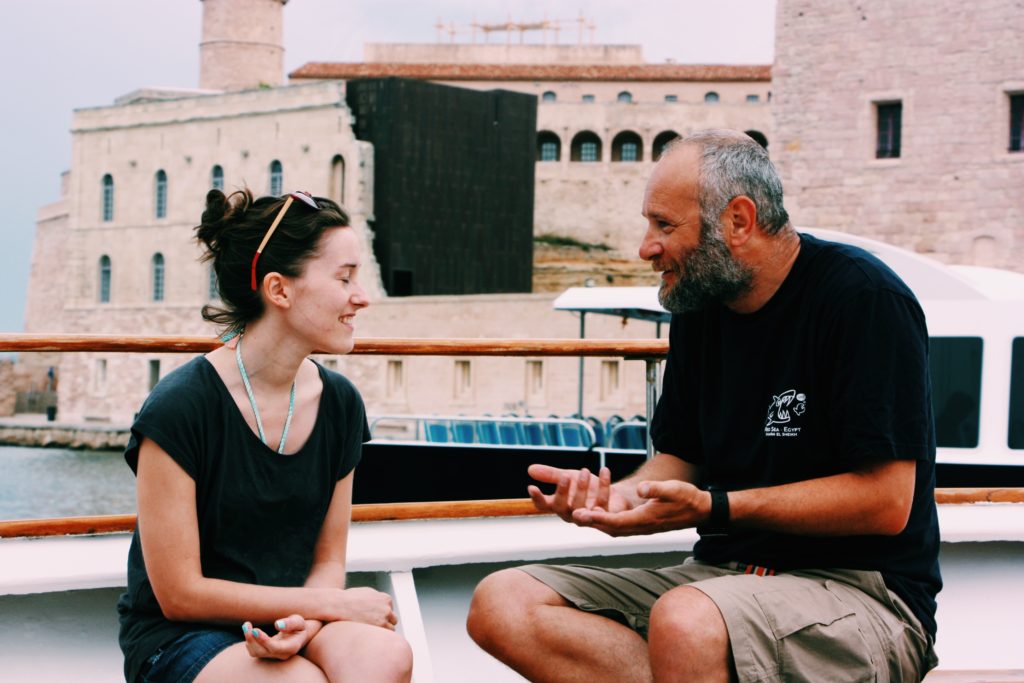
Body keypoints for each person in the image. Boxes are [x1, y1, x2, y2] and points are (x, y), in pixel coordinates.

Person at [467, 130, 941, 682]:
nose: (645, 247)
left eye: (664, 226)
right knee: (504, 602)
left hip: (864, 594)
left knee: (687, 621)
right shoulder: (700, 305)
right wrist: (614, 501)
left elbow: (886, 502)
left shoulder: (863, 300)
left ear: (738, 221)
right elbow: (680, 462)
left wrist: (717, 508)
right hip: (721, 577)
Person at [117, 188, 413, 683]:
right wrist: (329, 605)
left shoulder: (340, 403)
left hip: (296, 613)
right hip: (182, 635)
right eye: (344, 279)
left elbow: (328, 558)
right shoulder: (180, 407)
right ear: (279, 290)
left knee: (386, 657)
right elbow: (180, 594)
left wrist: (309, 620)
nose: (362, 297)